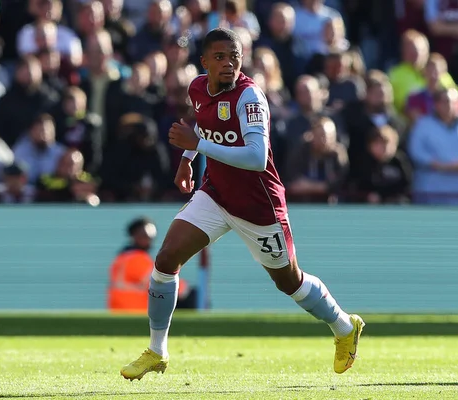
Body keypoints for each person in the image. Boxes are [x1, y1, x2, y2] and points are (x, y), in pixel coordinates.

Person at [120, 28, 364, 380]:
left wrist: (197, 147)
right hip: (216, 194)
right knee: (166, 258)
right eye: (219, 57)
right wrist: (188, 157)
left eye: (234, 56)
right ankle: (157, 350)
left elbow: (256, 157)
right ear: (204, 62)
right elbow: (203, 124)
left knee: (289, 282)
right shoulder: (197, 88)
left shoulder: (250, 98)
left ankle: (344, 327)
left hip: (258, 206)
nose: (228, 63)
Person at [108, 217, 195, 312]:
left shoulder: (121, 258)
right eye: (145, 236)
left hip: (120, 312)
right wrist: (185, 289)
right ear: (135, 236)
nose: (149, 240)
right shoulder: (137, 258)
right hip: (136, 313)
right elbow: (160, 281)